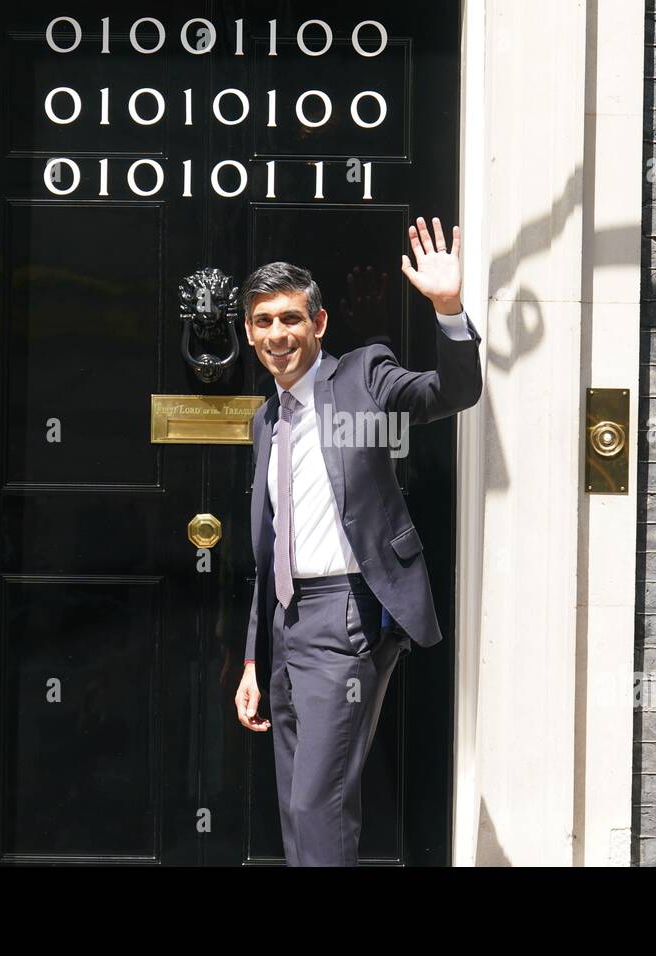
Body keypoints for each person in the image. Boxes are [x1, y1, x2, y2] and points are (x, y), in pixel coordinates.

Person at [232, 216, 483, 865]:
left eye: (289, 319)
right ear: (250, 334)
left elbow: (451, 391)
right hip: (286, 625)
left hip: (346, 617)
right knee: (296, 800)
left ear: (317, 324)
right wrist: (256, 656)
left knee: (320, 800)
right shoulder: (266, 420)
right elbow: (269, 550)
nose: (277, 335)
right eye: (263, 322)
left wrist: (449, 308)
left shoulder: (364, 378)